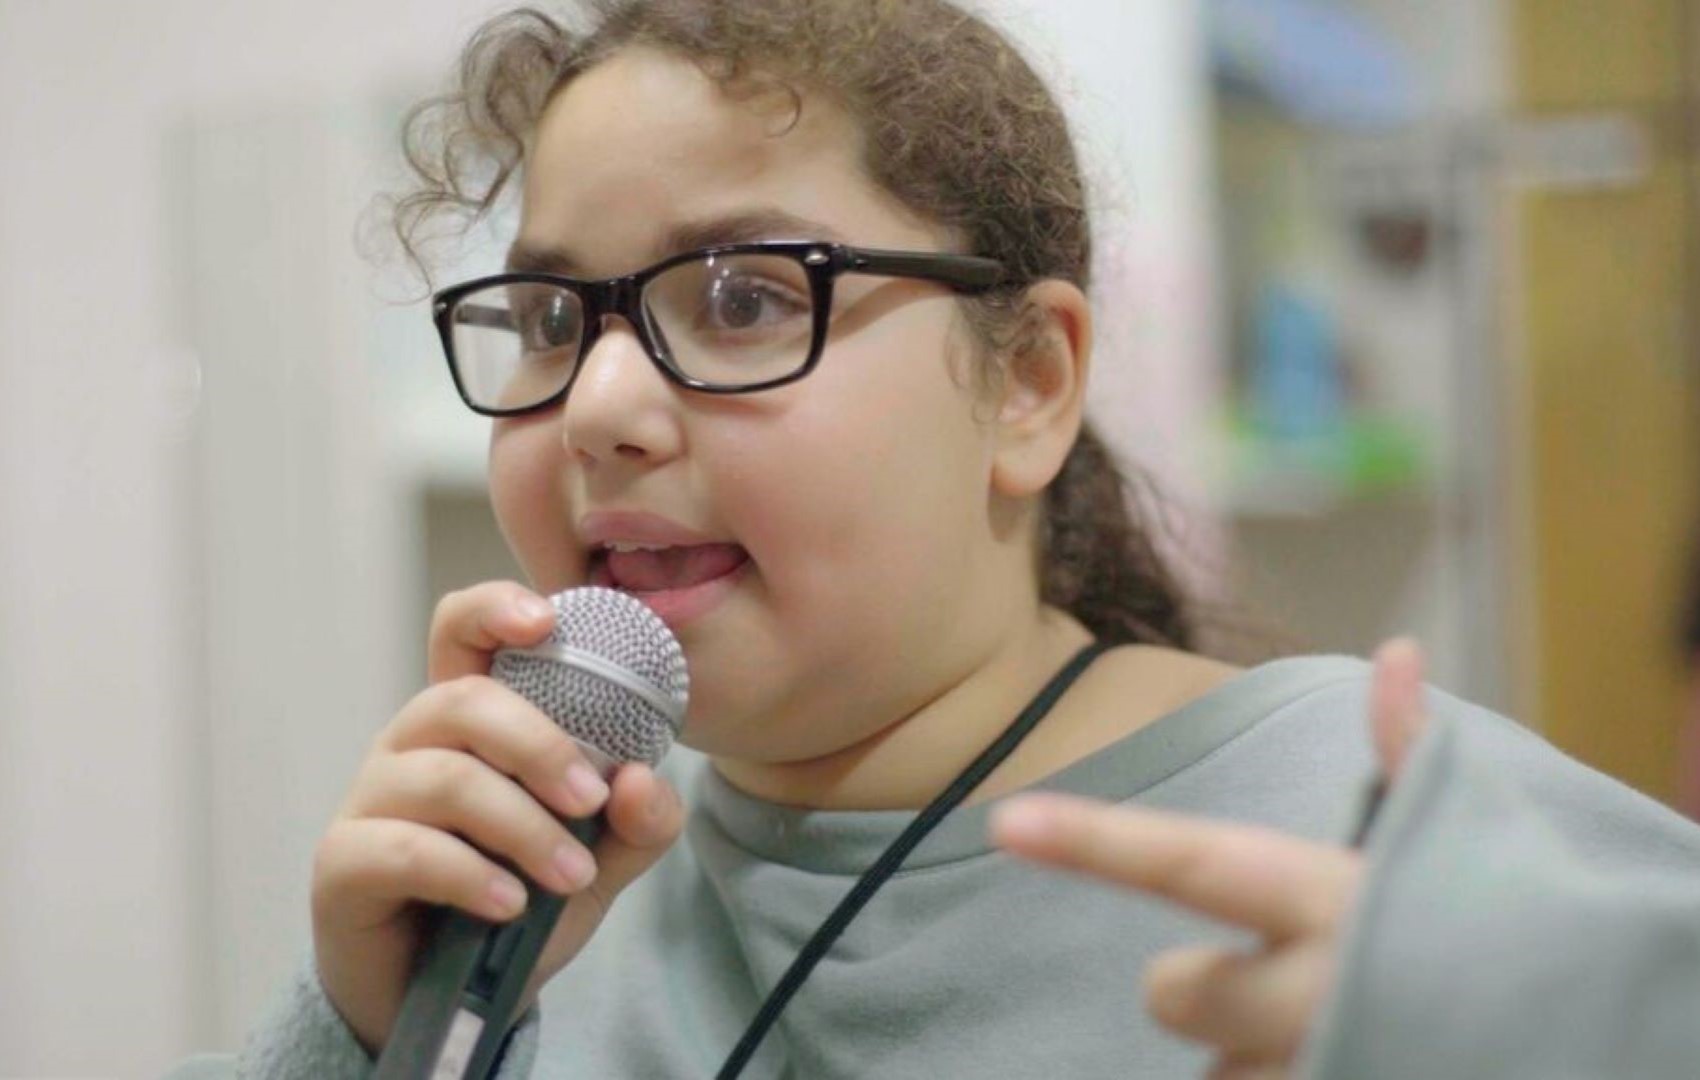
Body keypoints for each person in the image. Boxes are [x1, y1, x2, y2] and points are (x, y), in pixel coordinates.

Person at [164, 2, 1700, 1077]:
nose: (602, 405)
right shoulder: (525, 935)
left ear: (1027, 384)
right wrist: (365, 1042)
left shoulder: (1395, 834)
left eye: (748, 297)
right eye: (555, 320)